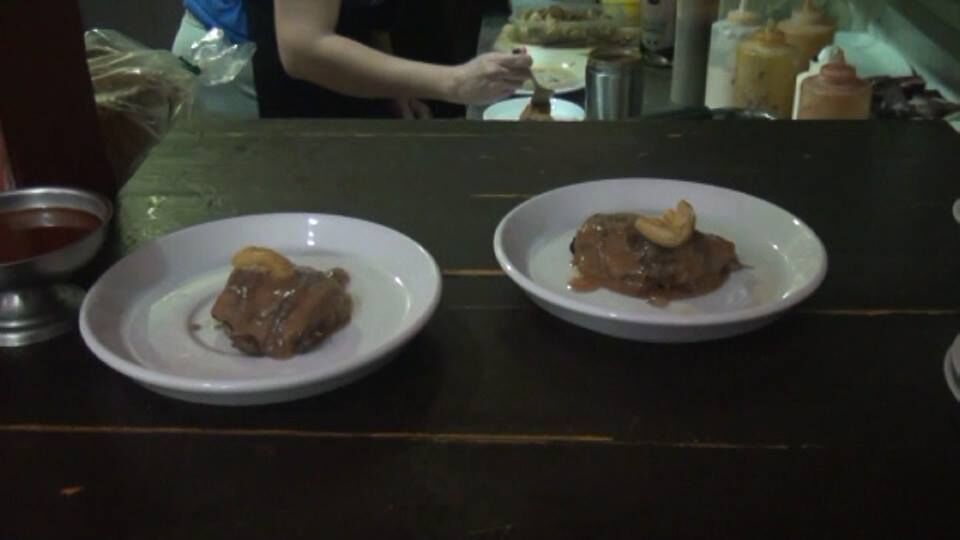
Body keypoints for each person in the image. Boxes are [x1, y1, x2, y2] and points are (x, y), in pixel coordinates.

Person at [172, 0, 532, 118]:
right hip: (233, 63)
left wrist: (393, 78)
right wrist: (452, 83)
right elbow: (302, 48)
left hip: (307, 47)